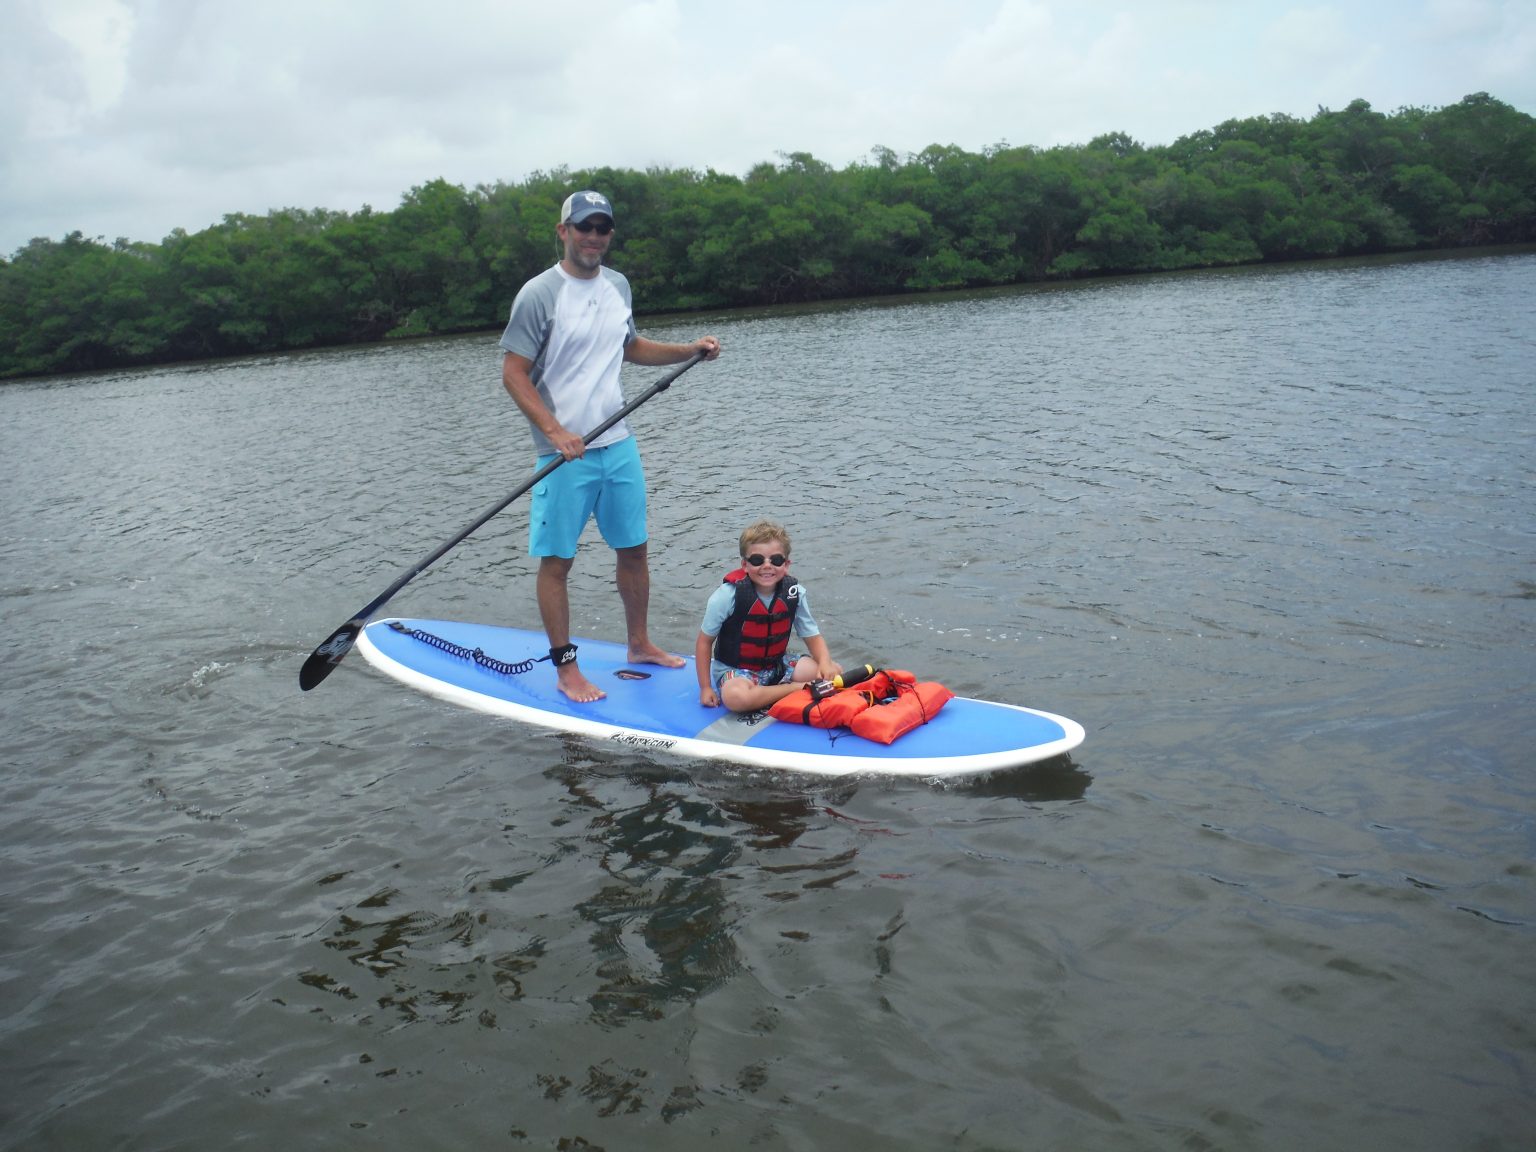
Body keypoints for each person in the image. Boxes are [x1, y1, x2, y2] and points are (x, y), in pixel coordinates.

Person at [500, 189, 721, 703]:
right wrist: (556, 433)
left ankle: (639, 643)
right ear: (564, 232)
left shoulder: (618, 284)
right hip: (562, 456)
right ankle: (566, 669)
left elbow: (630, 347)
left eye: (602, 229)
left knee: (634, 549)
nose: (594, 237)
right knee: (557, 562)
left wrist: (689, 350)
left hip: (617, 443)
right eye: (584, 227)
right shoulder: (539, 294)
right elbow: (513, 375)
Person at [696, 520, 842, 713]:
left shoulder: (794, 593)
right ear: (745, 565)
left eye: (776, 560)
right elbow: (704, 642)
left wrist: (825, 663)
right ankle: (795, 689)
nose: (767, 566)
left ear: (786, 564)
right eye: (757, 560)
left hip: (778, 666)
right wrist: (705, 688)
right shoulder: (726, 596)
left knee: (834, 672)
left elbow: (811, 635)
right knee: (736, 698)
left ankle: (773, 691)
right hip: (738, 672)